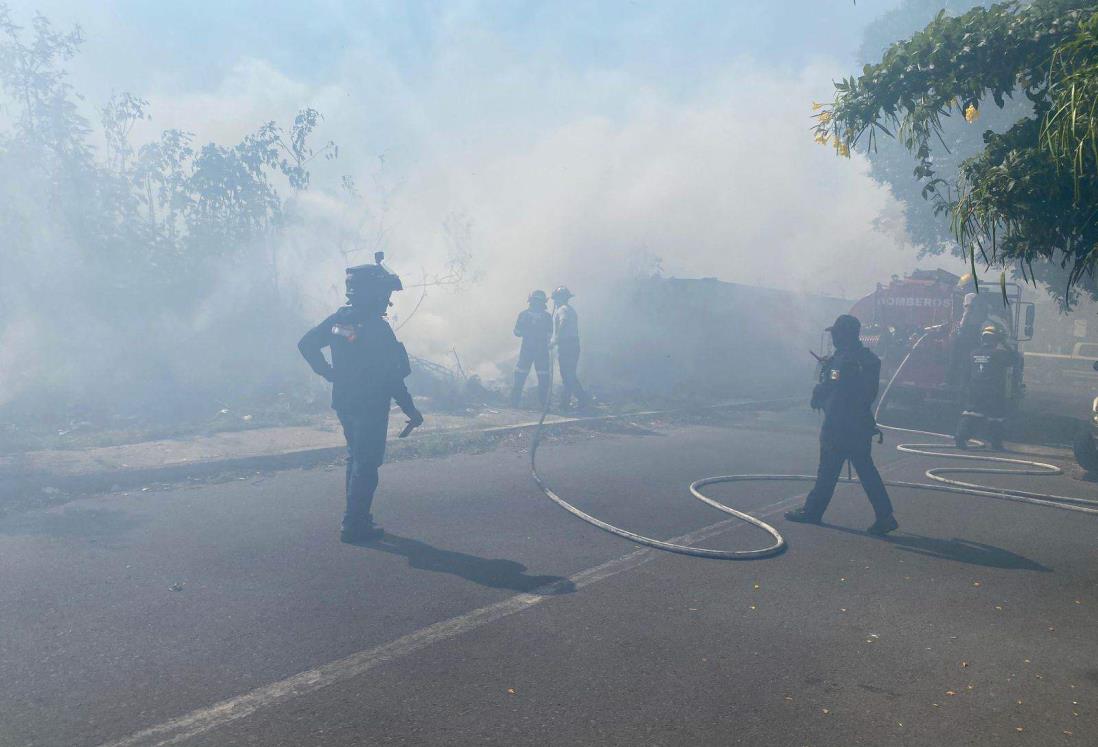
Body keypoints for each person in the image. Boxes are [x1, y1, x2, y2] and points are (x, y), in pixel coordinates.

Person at [298, 254, 424, 543]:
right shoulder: (377, 329)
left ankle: (357, 517)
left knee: (356, 459)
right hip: (369, 406)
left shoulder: (340, 322)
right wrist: (410, 409)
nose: (387, 300)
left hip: (345, 401)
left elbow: (306, 344)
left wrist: (328, 373)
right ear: (373, 293)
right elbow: (392, 375)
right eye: (385, 294)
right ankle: (354, 524)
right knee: (366, 464)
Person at [785, 314, 898, 535]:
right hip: (860, 425)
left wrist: (820, 387)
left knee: (827, 471)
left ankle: (813, 511)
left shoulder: (842, 361)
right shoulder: (868, 359)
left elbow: (831, 387)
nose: (833, 337)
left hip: (838, 426)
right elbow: (863, 391)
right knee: (867, 472)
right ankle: (885, 516)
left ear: (844, 334)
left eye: (836, 333)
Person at [955, 324, 1017, 451]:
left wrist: (963, 389)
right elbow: (1015, 359)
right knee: (996, 418)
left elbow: (966, 373)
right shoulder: (999, 354)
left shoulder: (973, 353)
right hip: (993, 392)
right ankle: (996, 444)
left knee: (971, 414)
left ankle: (960, 437)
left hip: (975, 390)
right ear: (996, 340)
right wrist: (1005, 343)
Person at [550, 286, 592, 412]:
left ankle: (577, 400)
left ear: (560, 298)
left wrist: (556, 339)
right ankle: (569, 402)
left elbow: (563, 322)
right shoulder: (568, 309)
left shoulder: (563, 309)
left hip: (567, 345)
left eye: (556, 298)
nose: (554, 301)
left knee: (568, 374)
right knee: (568, 375)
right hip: (570, 344)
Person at [510, 290, 553, 409]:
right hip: (533, 351)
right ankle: (515, 403)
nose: (536, 304)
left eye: (537, 302)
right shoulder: (542, 316)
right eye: (535, 301)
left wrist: (531, 333)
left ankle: (542, 405)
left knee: (540, 377)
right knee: (522, 375)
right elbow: (517, 331)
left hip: (535, 351)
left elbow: (549, 334)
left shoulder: (542, 316)